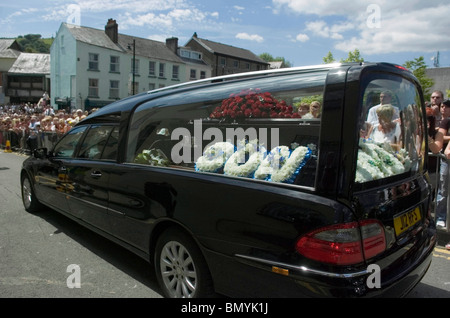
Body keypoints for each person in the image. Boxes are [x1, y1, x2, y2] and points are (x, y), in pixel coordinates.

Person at [432, 99, 450, 230]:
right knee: (443, 190)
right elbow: (441, 137)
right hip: (445, 159)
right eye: (442, 106)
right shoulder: (446, 121)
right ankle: (440, 217)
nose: (444, 108)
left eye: (446, 107)